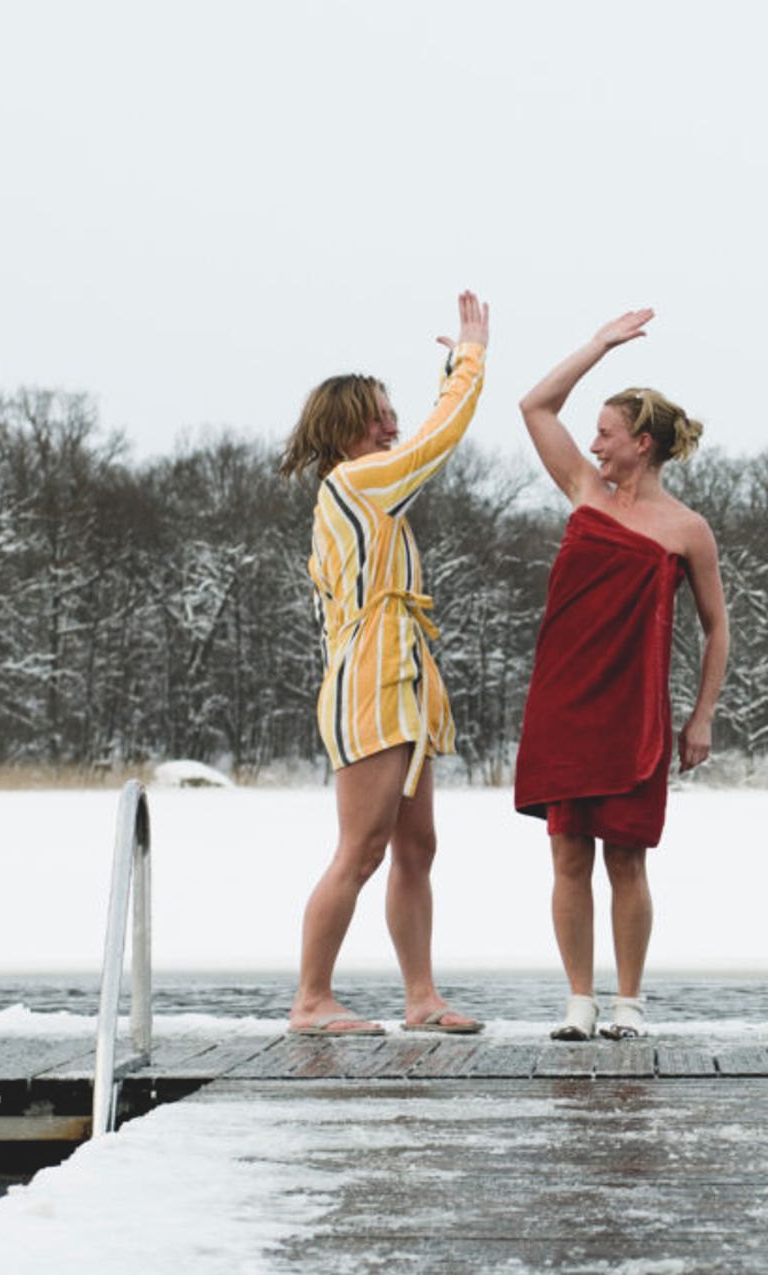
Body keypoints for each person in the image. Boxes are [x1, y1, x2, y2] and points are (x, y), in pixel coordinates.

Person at [277, 290, 490, 1037]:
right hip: (370, 677)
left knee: (416, 845)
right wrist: (468, 362)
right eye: (377, 413)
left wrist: (445, 375)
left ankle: (421, 997)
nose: (391, 424)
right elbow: (437, 441)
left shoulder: (365, 490)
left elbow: (419, 438)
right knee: (361, 847)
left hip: (397, 673)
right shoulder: (356, 481)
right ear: (346, 428)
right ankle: (311, 999)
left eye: (392, 410)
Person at [515, 309, 729, 1041]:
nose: (593, 442)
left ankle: (629, 1005)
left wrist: (700, 716)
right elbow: (534, 406)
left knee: (627, 858)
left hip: (633, 712)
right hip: (564, 703)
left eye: (606, 432)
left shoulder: (687, 529)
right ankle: (579, 1001)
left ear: (642, 444)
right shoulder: (584, 491)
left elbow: (716, 627)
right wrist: (599, 345)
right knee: (567, 852)